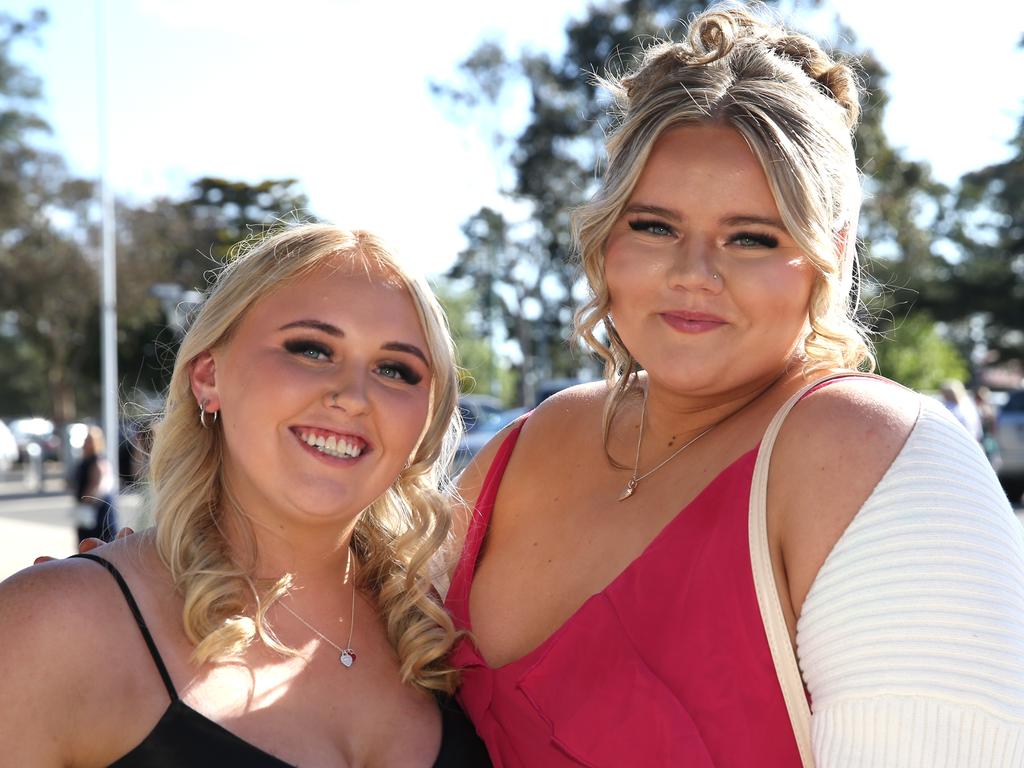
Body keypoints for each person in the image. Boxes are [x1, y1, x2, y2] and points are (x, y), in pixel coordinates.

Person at [444, 6, 1024, 767]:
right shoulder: (528, 443)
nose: (694, 274)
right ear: (605, 236)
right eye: (654, 226)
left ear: (833, 253)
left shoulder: (870, 453)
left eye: (752, 237)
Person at [0, 224, 490, 766]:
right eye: (311, 349)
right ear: (209, 376)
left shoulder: (447, 625)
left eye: (395, 369)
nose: (353, 397)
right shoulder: (55, 626)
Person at [73, 424, 118, 543]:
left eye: (89, 440)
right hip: (87, 505)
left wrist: (86, 501)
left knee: (98, 541)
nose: (85, 443)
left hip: (96, 507)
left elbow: (98, 484)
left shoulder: (98, 460)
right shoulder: (84, 460)